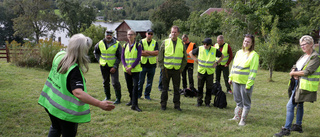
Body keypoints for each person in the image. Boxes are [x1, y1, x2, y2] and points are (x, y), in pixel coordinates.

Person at [38, 34, 115, 137]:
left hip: (51, 105)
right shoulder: (74, 71)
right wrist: (99, 104)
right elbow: (78, 93)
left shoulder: (59, 55)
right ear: (81, 51)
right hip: (65, 112)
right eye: (86, 49)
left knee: (55, 127)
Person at [274, 35, 320, 136]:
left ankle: (286, 129)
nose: (302, 46)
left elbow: (307, 71)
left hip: (304, 85)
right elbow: (296, 66)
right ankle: (298, 125)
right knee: (299, 105)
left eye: (304, 44)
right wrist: (293, 71)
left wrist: (293, 74)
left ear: (311, 44)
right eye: (301, 45)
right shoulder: (303, 56)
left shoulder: (315, 57)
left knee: (290, 106)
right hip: (296, 84)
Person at [228, 34, 259, 126]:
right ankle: (236, 117)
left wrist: (249, 84)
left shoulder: (254, 55)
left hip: (245, 82)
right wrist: (230, 77)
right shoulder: (239, 52)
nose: (246, 43)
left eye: (248, 41)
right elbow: (233, 66)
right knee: (238, 100)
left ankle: (243, 120)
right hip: (235, 81)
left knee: (246, 102)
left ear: (252, 43)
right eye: (245, 41)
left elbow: (253, 71)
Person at [158, 26, 187, 111]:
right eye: (172, 32)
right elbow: (160, 56)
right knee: (164, 88)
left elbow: (185, 58)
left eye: (175, 32)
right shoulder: (165, 42)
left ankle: (177, 105)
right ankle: (163, 105)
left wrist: (181, 69)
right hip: (166, 69)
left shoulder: (181, 43)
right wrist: (162, 67)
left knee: (176, 89)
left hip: (177, 70)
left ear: (178, 33)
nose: (173, 34)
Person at [189, 38, 224, 107]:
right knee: (200, 87)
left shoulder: (214, 50)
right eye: (204, 44)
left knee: (209, 88)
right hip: (201, 72)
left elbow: (222, 56)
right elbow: (190, 53)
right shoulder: (200, 48)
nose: (205, 45)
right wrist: (195, 59)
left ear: (210, 45)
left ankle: (207, 102)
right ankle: (199, 101)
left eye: (207, 44)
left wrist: (217, 63)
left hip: (210, 73)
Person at [93, 30, 122, 104]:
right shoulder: (100, 43)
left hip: (113, 66)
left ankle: (118, 98)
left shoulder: (117, 44)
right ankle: (107, 97)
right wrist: (99, 60)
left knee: (115, 82)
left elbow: (119, 57)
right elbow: (95, 52)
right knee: (105, 82)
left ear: (112, 36)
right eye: (107, 35)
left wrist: (115, 66)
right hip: (103, 66)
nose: (108, 36)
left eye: (110, 35)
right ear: (105, 35)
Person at [121, 30, 142, 112]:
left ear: (135, 35)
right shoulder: (124, 45)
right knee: (129, 86)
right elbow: (122, 57)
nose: (129, 36)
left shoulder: (138, 45)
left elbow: (138, 57)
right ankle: (131, 100)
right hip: (126, 70)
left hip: (135, 70)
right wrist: (126, 67)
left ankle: (135, 105)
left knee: (135, 87)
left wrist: (131, 67)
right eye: (128, 34)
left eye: (131, 34)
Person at [137, 29, 159, 100]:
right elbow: (141, 53)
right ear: (146, 34)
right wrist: (151, 52)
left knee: (149, 82)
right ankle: (139, 95)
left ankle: (147, 95)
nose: (150, 35)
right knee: (140, 81)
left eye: (151, 34)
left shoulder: (155, 42)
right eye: (149, 33)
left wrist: (146, 51)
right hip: (143, 64)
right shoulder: (141, 41)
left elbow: (156, 53)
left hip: (152, 65)